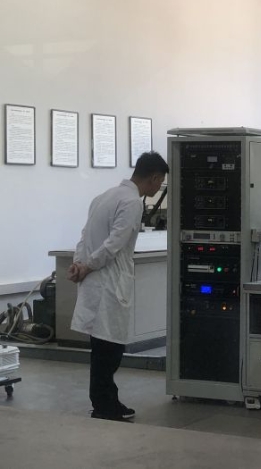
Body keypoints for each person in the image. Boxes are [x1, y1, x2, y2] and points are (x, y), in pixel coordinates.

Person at [67, 151, 169, 421]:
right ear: (154, 177)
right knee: (109, 350)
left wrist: (79, 263)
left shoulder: (104, 196)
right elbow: (114, 245)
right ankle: (104, 405)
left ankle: (108, 400)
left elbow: (84, 237)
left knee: (102, 348)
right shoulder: (132, 202)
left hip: (97, 281)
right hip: (108, 283)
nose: (159, 187)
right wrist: (86, 266)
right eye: (160, 182)